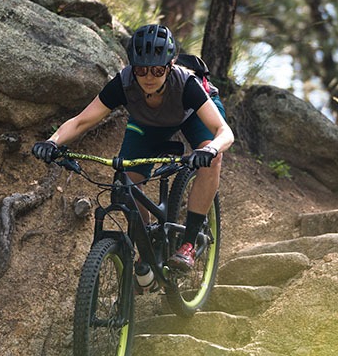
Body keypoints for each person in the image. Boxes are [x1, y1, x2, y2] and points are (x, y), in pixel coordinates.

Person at [32, 23, 234, 276]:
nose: (149, 77)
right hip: (147, 120)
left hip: (193, 115)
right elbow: (81, 121)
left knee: (212, 157)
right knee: (127, 182)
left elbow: (224, 132)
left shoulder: (187, 84)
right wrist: (53, 142)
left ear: (169, 66)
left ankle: (189, 243)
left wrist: (211, 149)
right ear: (133, 67)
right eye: (141, 70)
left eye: (157, 70)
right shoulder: (124, 83)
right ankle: (147, 247)